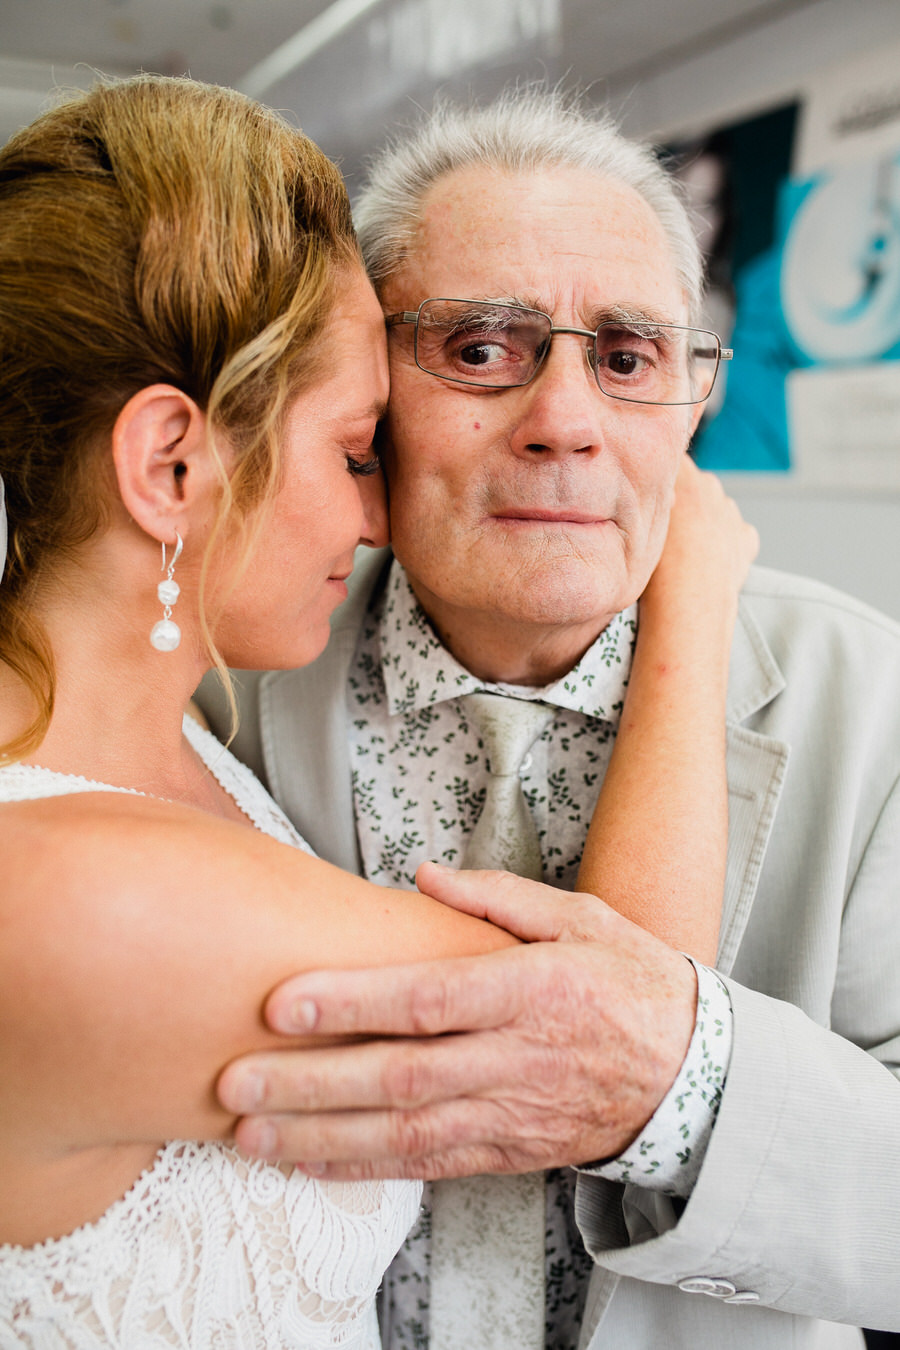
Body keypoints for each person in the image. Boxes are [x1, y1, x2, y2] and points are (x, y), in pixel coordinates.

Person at [0, 76, 756, 1349]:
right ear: (172, 466)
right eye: (357, 450)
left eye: (627, 358)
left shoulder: (166, 734)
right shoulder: (79, 902)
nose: (372, 514)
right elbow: (599, 1024)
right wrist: (691, 601)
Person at [200, 91, 900, 1349]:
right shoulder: (222, 685)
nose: (566, 422)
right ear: (369, 396)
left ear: (693, 402)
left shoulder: (874, 701)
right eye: (479, 349)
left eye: (626, 359)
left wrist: (682, 1086)